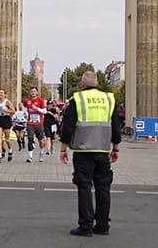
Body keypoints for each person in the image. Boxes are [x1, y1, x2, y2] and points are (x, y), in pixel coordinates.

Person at [59, 71, 122, 237]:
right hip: (103, 149)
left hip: (83, 150)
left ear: (82, 84)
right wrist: (116, 148)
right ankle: (102, 225)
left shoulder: (77, 99)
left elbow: (68, 126)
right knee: (103, 188)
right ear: (98, 83)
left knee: (84, 186)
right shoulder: (109, 99)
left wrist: (63, 148)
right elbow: (116, 126)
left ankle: (85, 226)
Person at [23, 85, 47, 163]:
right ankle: (30, 156)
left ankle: (41, 153)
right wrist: (25, 114)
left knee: (40, 140)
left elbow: (45, 111)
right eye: (31, 91)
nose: (33, 93)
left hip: (39, 123)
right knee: (30, 138)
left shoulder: (40, 100)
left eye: (34, 91)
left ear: (37, 93)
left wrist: (37, 109)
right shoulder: (27, 100)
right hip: (30, 122)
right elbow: (25, 108)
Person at [0, 88, 14, 163]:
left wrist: (6, 110)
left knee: (7, 139)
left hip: (6, 119)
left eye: (2, 93)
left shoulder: (7, 102)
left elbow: (13, 111)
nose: (0, 94)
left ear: (5, 94)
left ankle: (10, 150)